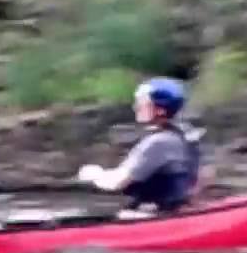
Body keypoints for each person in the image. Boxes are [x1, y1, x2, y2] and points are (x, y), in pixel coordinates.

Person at [78, 77, 209, 215]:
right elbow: (202, 177)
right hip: (174, 212)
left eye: (142, 102)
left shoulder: (158, 143)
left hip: (157, 215)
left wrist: (94, 174)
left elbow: (115, 183)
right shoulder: (186, 136)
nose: (136, 107)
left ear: (160, 110)